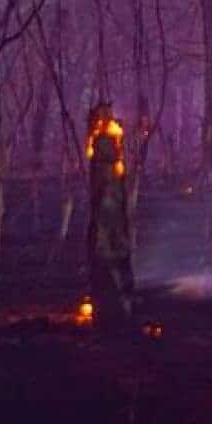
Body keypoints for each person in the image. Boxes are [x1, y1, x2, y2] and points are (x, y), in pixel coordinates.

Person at [86, 101, 134, 321]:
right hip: (106, 218)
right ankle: (116, 303)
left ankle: (122, 302)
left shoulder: (112, 141)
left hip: (113, 219)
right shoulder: (100, 142)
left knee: (115, 253)